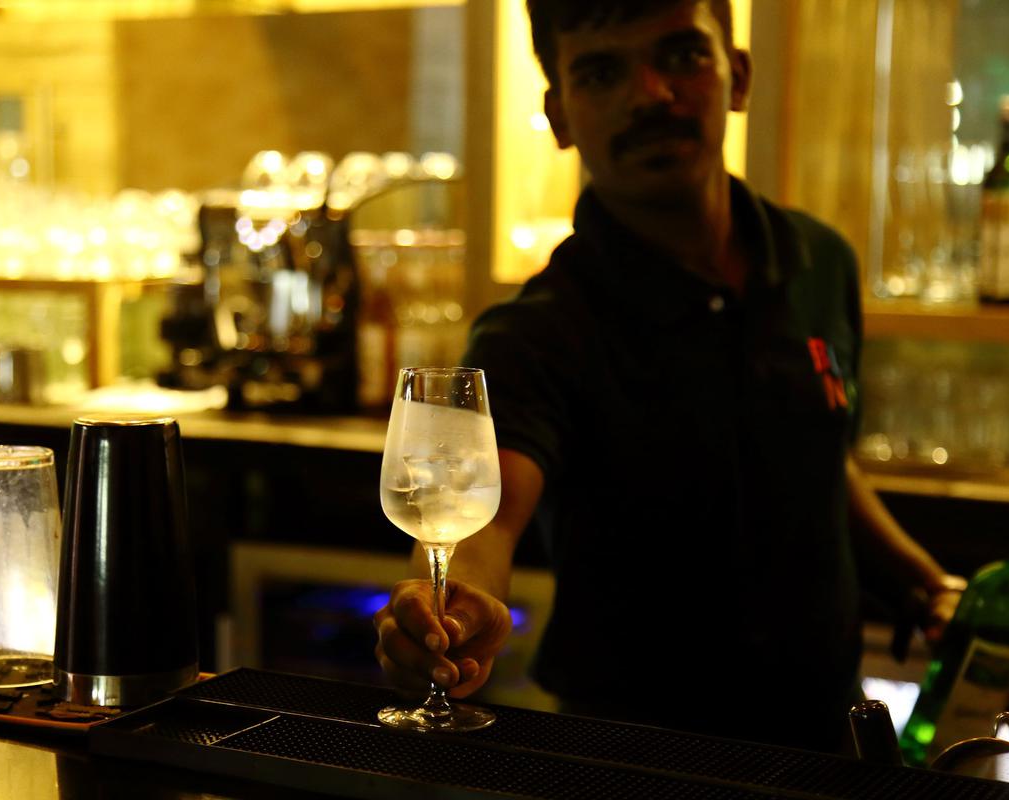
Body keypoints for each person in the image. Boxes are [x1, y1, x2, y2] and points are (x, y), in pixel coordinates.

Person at [373, 0, 966, 753]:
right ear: (559, 117)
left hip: (831, 743)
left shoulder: (821, 260)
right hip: (632, 758)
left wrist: (923, 581)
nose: (650, 94)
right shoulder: (536, 333)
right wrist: (453, 609)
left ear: (738, 75)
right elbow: (488, 515)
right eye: (601, 71)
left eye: (682, 56)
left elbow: (814, 446)